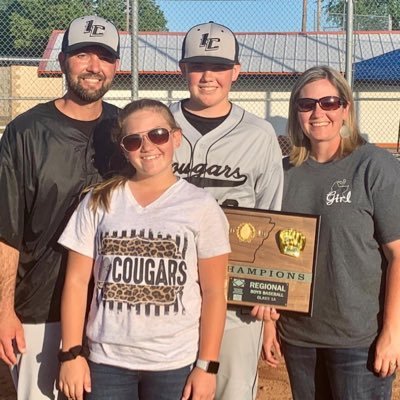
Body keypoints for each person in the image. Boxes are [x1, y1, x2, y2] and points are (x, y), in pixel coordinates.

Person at [57, 99, 230, 400]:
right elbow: (75, 281)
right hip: (106, 361)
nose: (148, 146)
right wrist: (71, 355)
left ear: (176, 138)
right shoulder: (99, 201)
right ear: (124, 149)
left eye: (158, 135)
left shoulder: (201, 206)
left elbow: (215, 290)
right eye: (134, 140)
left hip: (174, 363)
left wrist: (207, 365)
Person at [0, 15, 120, 400]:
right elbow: (6, 229)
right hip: (40, 308)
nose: (93, 66)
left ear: (116, 66)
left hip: (115, 310)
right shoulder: (26, 132)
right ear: (63, 60)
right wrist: (4, 310)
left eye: (103, 56)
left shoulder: (127, 130)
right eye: (82, 54)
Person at [170, 21, 284, 400]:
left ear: (236, 71)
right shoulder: (158, 126)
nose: (208, 76)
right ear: (182, 68)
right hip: (166, 302)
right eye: (198, 65)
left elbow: (272, 218)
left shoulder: (259, 133)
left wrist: (267, 315)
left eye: (218, 66)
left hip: (236, 304)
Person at [276, 65, 400, 399]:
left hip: (359, 340)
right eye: (307, 105)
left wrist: (393, 331)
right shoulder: (284, 173)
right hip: (299, 336)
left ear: (345, 108)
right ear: (296, 113)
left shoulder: (373, 166)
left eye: (329, 102)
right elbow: (275, 256)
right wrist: (267, 323)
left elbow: (398, 255)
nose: (318, 112)